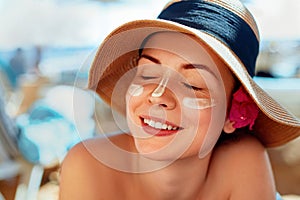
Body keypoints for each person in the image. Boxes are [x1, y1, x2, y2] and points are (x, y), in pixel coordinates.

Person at [59, 0, 300, 199]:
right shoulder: (88, 167)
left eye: (193, 85)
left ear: (232, 115)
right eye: (148, 74)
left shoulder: (243, 160)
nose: (158, 96)